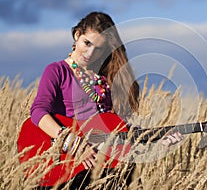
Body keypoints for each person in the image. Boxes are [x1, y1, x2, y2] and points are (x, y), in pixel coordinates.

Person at [30, 11, 183, 189]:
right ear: (77, 35)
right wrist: (73, 143)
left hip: (104, 164)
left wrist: (157, 142)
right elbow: (38, 112)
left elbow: (116, 130)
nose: (90, 52)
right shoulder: (57, 71)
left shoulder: (104, 79)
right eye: (87, 43)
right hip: (70, 167)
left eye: (99, 49)